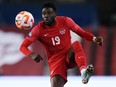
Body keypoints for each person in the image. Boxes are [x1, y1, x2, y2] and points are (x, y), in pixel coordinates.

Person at [20, 2, 103, 87]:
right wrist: (32, 54)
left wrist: (94, 38)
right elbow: (23, 47)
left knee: (76, 44)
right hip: (55, 62)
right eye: (44, 13)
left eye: (49, 13)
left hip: (69, 56)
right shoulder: (38, 30)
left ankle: (83, 72)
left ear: (55, 13)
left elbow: (82, 33)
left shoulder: (66, 21)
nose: (46, 16)